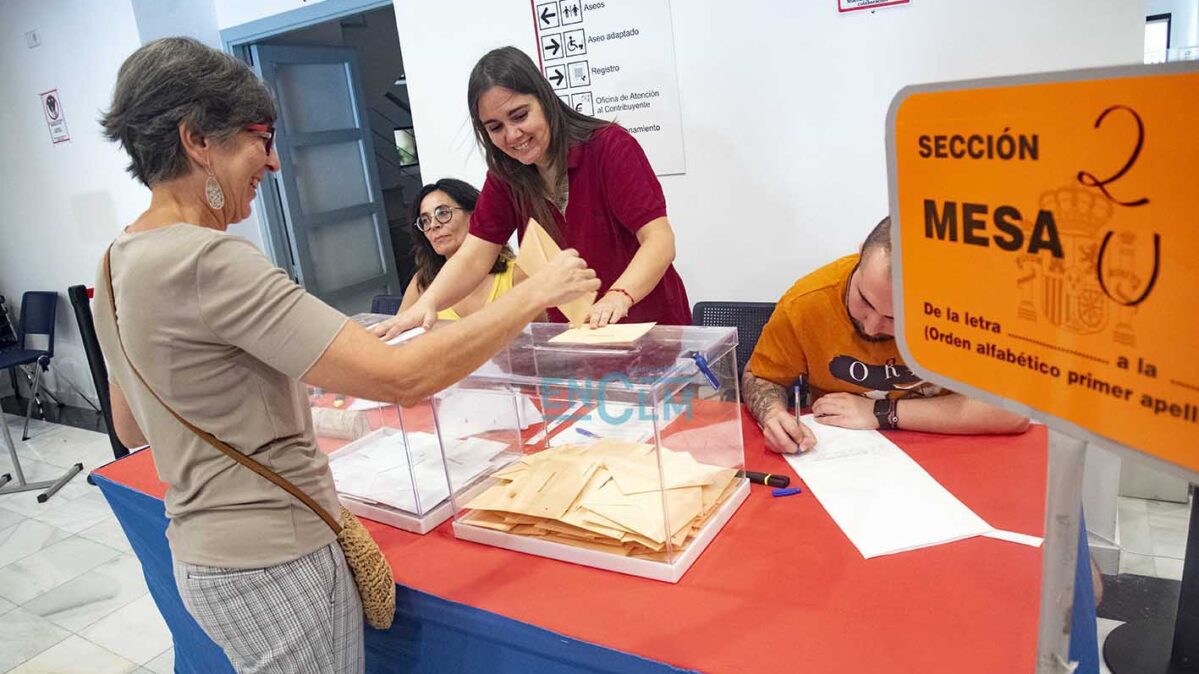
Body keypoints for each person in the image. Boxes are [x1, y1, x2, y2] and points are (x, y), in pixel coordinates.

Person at [96, 37, 598, 674]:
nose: (274, 163)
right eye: (261, 136)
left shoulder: (115, 261)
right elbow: (406, 376)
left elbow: (131, 426)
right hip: (273, 561)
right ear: (198, 139)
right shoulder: (209, 260)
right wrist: (535, 297)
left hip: (200, 553)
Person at [374, 46, 690, 339]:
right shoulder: (506, 176)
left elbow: (659, 241)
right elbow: (473, 256)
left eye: (520, 115)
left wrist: (619, 296)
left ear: (544, 99)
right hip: (580, 335)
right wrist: (426, 304)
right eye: (495, 127)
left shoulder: (609, 147)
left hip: (652, 329)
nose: (513, 135)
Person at [743, 216, 1029, 454]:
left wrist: (879, 412)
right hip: (840, 455)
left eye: (896, 319)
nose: (871, 327)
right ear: (861, 254)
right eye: (864, 301)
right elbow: (762, 376)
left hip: (950, 448)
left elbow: (1011, 413)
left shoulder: (968, 310)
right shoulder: (807, 302)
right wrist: (772, 415)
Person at [401, 178, 524, 320]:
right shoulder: (423, 281)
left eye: (442, 213)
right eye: (425, 220)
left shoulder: (517, 273)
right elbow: (396, 336)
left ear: (475, 215)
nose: (433, 225)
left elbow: (545, 336)